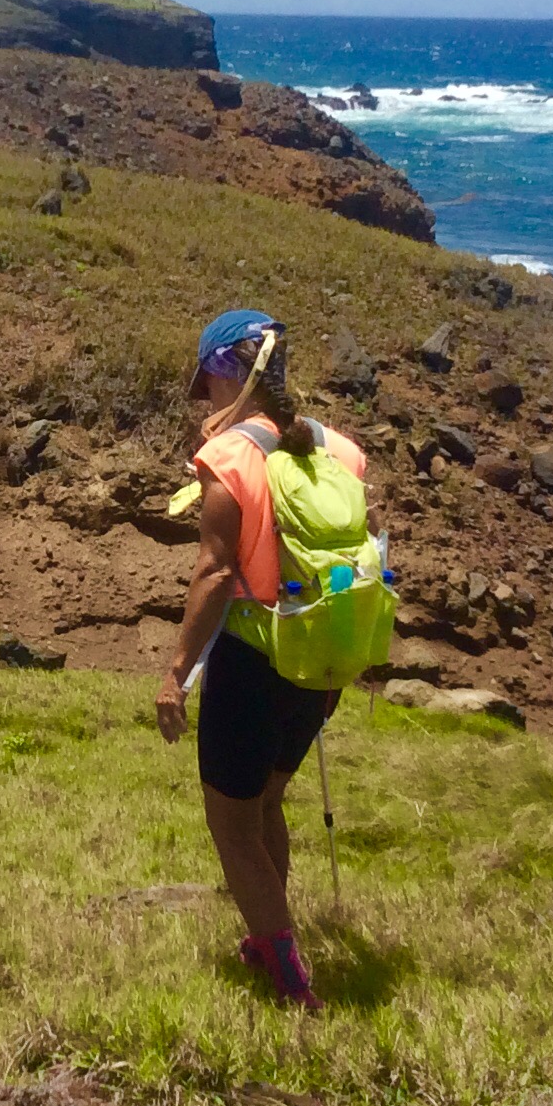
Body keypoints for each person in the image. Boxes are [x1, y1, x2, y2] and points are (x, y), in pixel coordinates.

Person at [155, 310, 371, 1012]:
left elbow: (215, 574)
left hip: (252, 661)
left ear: (227, 372)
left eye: (207, 384)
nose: (207, 401)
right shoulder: (339, 451)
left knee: (231, 824)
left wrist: (176, 673)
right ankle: (267, 937)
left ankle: (290, 983)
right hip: (320, 656)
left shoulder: (229, 459)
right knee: (268, 800)